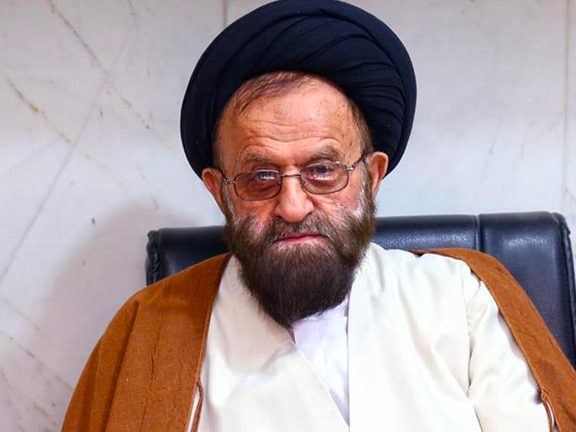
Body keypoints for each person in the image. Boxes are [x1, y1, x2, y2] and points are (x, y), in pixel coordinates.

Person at [62, 1, 576, 431]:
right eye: (260, 177)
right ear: (220, 192)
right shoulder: (150, 330)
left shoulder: (462, 298)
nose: (292, 205)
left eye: (323, 171)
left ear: (371, 176)